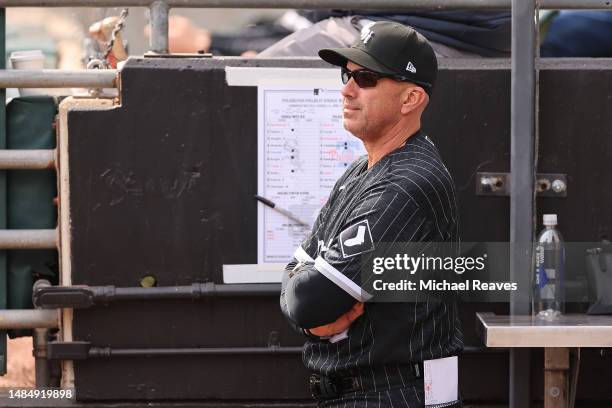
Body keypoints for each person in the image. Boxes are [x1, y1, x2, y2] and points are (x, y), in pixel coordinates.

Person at [280, 21, 462, 407]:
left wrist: (309, 303)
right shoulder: (362, 169)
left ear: (410, 99)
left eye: (366, 77)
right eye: (347, 73)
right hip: (364, 390)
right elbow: (297, 283)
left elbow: (309, 300)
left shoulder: (406, 182)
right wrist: (311, 313)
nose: (346, 88)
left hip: (397, 393)